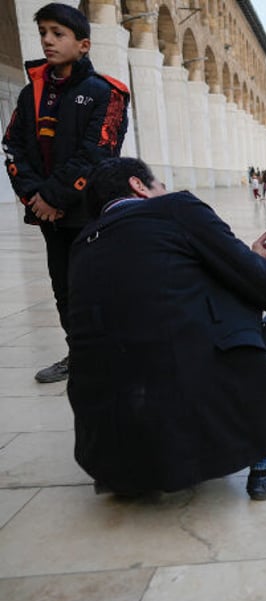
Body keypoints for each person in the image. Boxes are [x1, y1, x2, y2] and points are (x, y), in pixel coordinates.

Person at [67, 157, 266, 499]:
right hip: (189, 425)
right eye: (159, 185)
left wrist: (248, 262)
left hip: (110, 460)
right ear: (139, 186)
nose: (165, 191)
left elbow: (171, 295)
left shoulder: (83, 246)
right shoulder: (176, 209)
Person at [3, 3, 130, 384]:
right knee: (64, 290)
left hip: (88, 211)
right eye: (43, 32)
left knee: (97, 286)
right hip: (48, 216)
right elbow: (13, 148)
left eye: (58, 33)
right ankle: (80, 355)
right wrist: (34, 199)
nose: (47, 40)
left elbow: (97, 153)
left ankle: (113, 356)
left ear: (84, 44)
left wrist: (55, 197)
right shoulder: (31, 95)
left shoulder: (106, 93)